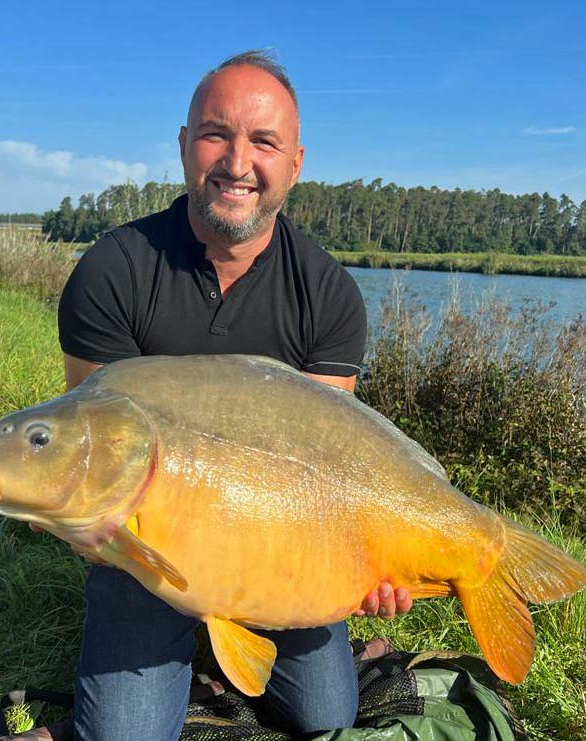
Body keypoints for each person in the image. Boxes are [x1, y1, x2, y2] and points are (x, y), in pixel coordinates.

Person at [56, 50, 413, 741]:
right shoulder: (114, 270)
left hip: (276, 546)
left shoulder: (329, 295)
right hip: (148, 555)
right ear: (185, 146)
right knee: (122, 735)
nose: (237, 162)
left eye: (265, 141)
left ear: (296, 162)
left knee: (326, 713)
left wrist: (368, 565)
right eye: (217, 134)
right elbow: (86, 464)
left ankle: (222, 649)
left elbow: (330, 474)